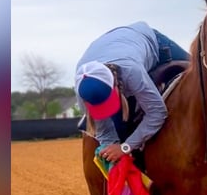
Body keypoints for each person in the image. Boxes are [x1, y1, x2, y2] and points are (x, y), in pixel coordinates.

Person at [75, 21, 190, 163]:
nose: (106, 108)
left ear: (115, 83)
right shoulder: (82, 89)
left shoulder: (131, 71)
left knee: (199, 73)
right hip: (117, 44)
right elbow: (104, 131)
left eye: (109, 100)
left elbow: (157, 112)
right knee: (120, 133)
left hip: (152, 41)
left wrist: (125, 147)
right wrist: (115, 151)